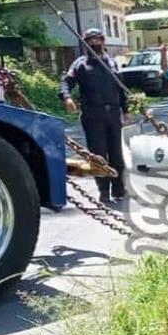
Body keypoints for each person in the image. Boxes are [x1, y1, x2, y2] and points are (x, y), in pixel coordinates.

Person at [60, 28, 129, 204]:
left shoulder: (112, 62)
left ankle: (119, 189)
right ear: (85, 43)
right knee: (98, 154)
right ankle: (104, 191)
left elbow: (121, 88)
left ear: (103, 40)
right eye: (90, 40)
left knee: (116, 154)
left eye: (97, 39)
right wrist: (67, 98)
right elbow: (66, 82)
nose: (94, 43)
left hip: (113, 113)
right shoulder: (80, 64)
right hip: (93, 114)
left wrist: (126, 110)